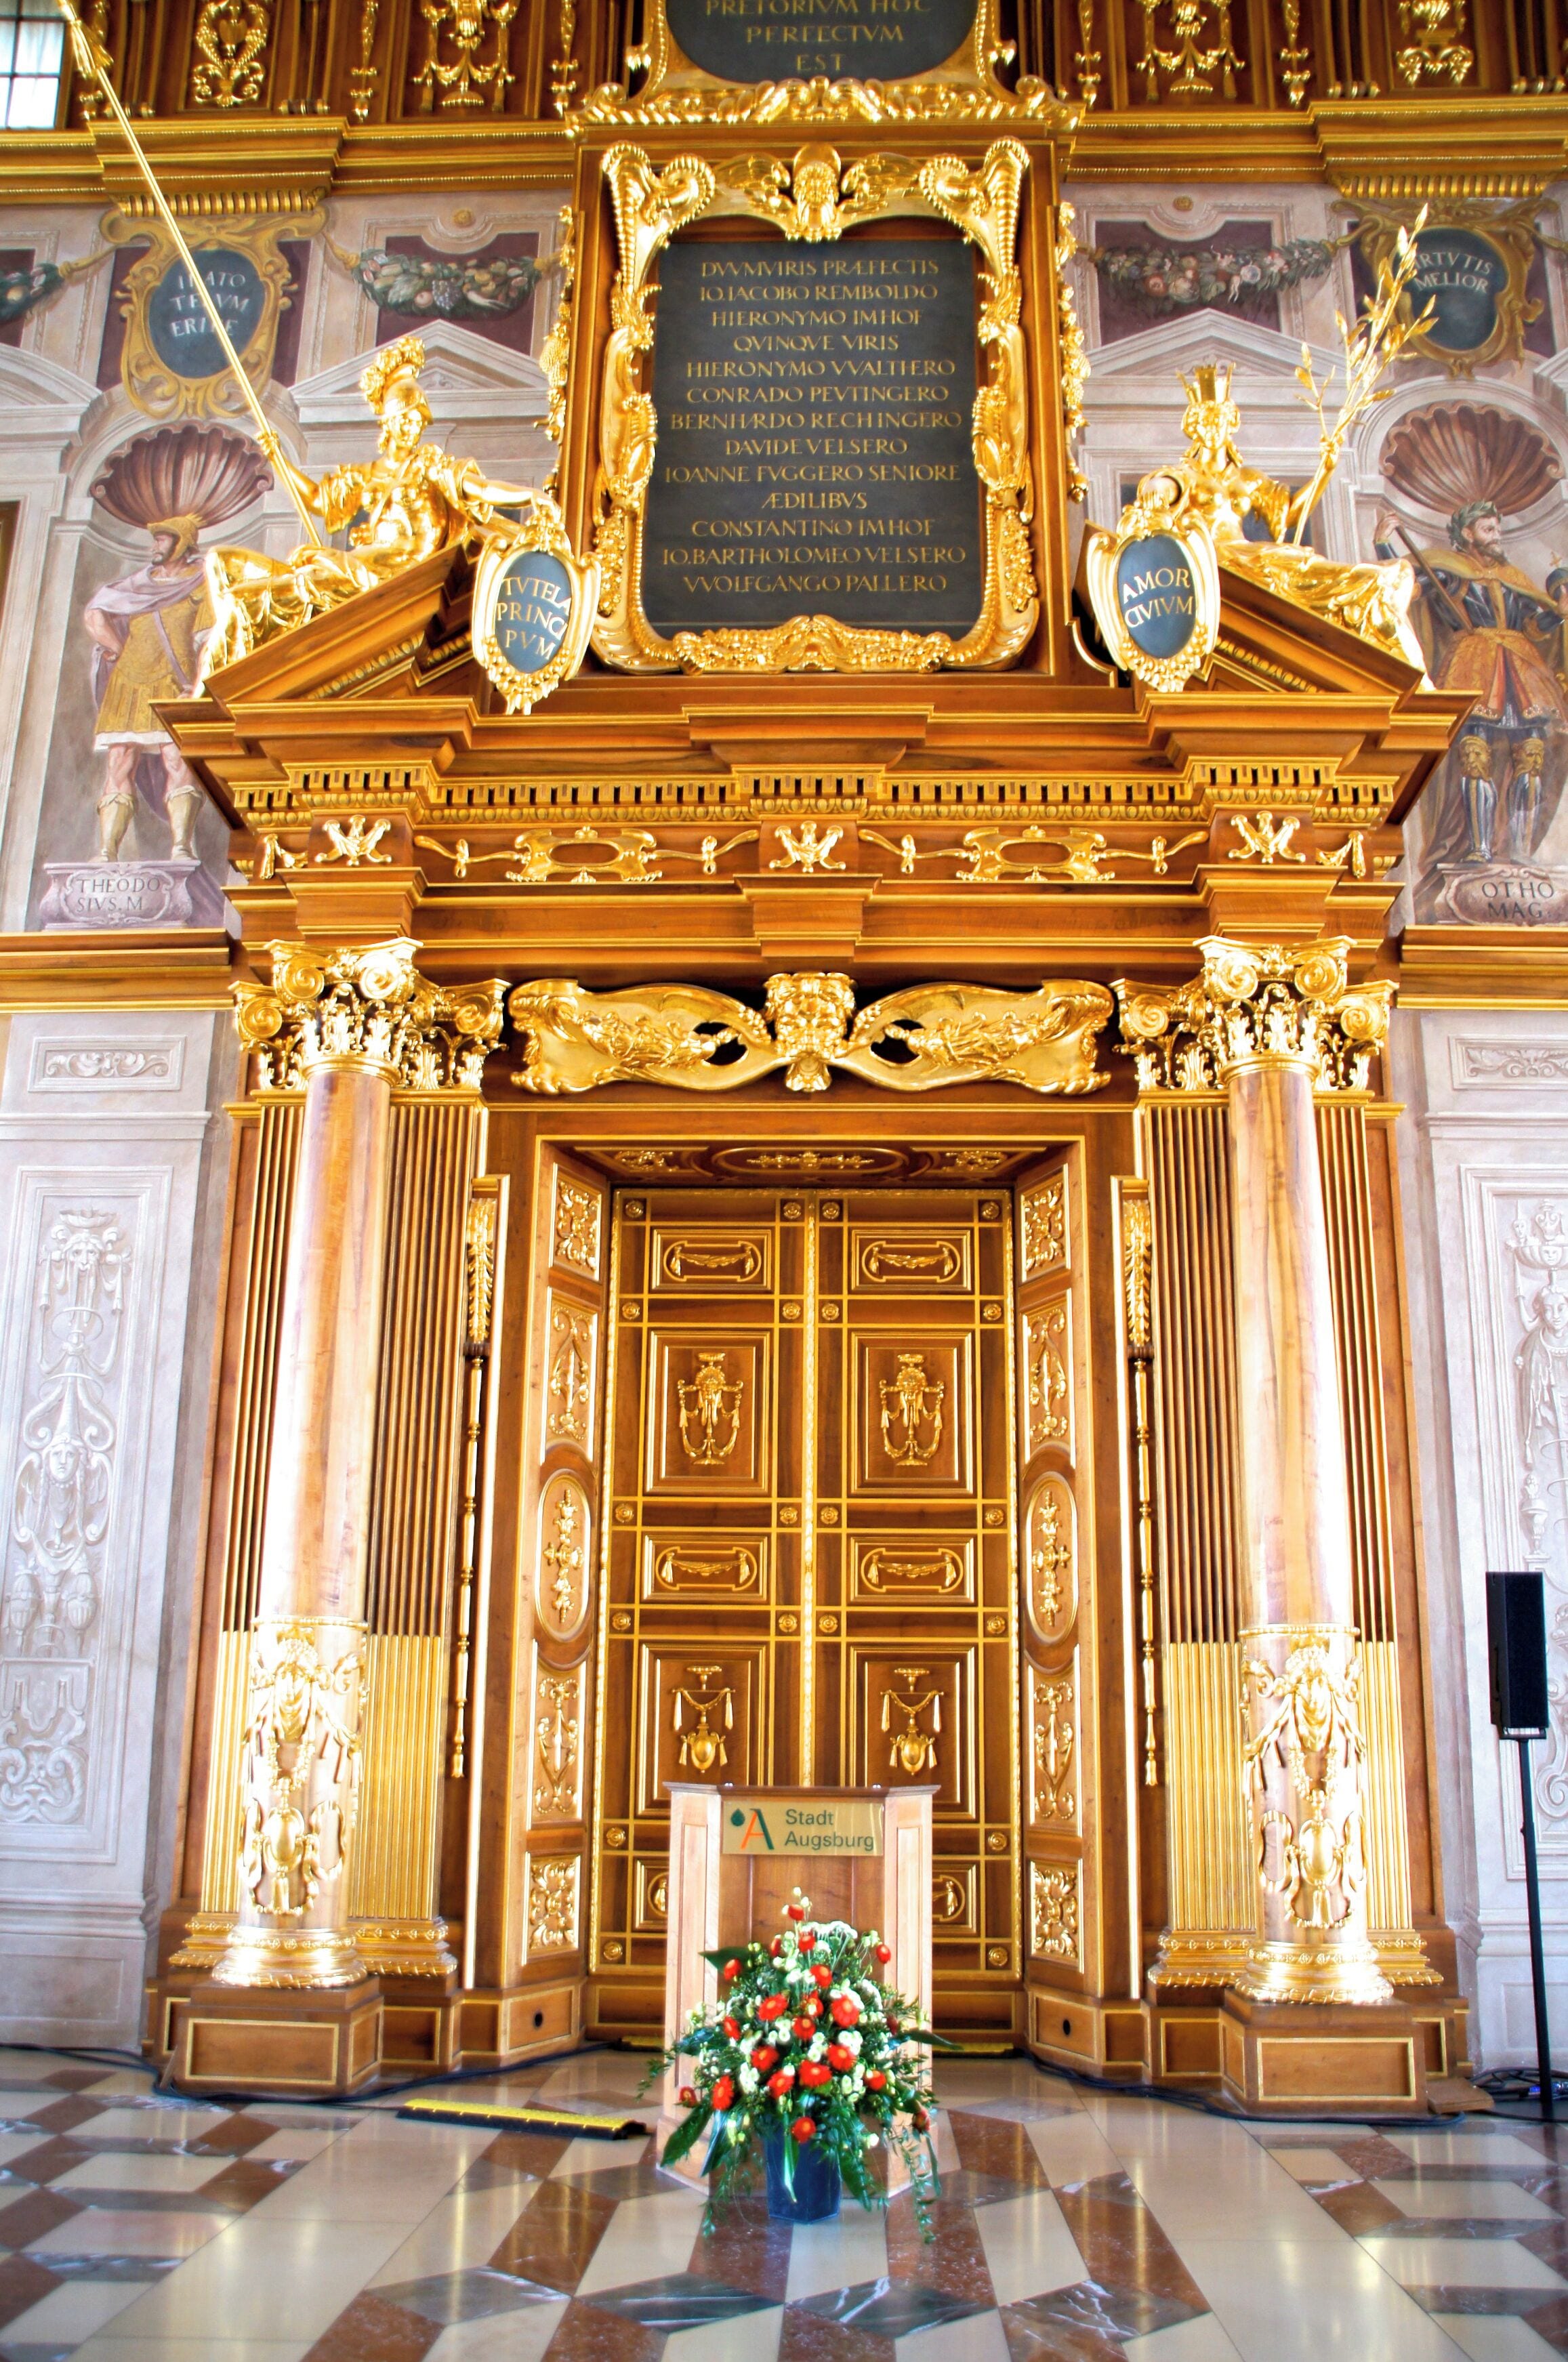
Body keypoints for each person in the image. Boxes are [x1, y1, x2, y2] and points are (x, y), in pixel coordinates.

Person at [205, 333, 541, 668]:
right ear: (389, 422)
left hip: (397, 578)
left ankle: (228, 679)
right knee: (223, 563)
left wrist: (532, 497)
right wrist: (278, 457)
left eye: (418, 419)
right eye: (406, 418)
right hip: (362, 566)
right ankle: (217, 696)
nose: (414, 426)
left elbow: (480, 489)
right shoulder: (364, 475)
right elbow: (318, 499)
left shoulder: (428, 465)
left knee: (254, 597)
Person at [1374, 498, 1568, 865]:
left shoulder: (1514, 578)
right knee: (1475, 754)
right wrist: (1384, 545)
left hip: (1522, 667)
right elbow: (1406, 585)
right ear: (1467, 533)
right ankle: (1479, 847)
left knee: (1531, 752)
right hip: (1474, 663)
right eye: (1488, 529)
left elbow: (1530, 627)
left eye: (1498, 529)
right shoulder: (1448, 570)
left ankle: (1521, 850)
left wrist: (1557, 617)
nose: (1497, 537)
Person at [83, 511, 212, 862]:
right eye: (156, 538)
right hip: (128, 683)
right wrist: (118, 648)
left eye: (163, 538)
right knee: (120, 760)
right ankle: (108, 850)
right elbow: (95, 613)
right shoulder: (138, 583)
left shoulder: (202, 584)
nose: (156, 544)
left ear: (182, 543)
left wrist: (199, 687)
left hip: (173, 683)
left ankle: (181, 847)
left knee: (176, 761)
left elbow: (209, 641)